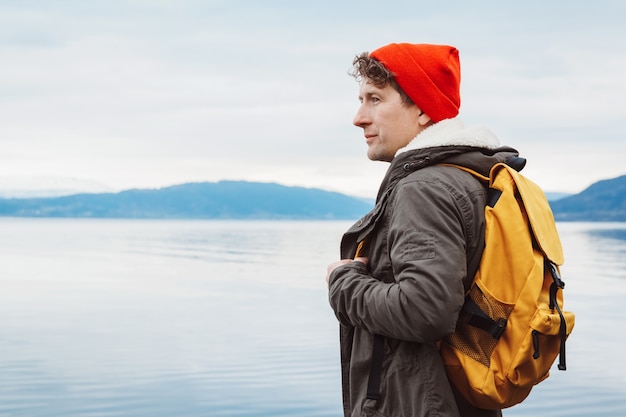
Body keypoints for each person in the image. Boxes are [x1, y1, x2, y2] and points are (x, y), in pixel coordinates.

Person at [325, 42, 520, 417]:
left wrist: (343, 282)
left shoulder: (424, 188)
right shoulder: (469, 176)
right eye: (361, 100)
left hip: (419, 405)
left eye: (375, 99)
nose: (358, 117)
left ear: (423, 110)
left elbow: (425, 311)